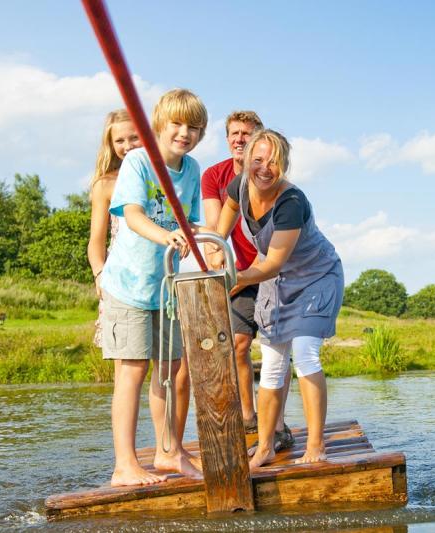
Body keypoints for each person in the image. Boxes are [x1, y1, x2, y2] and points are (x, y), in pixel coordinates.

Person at [209, 129, 343, 468]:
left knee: (304, 353)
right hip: (276, 281)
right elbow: (228, 207)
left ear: (283, 165)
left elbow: (272, 263)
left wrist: (233, 279)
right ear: (248, 160)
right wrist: (217, 246)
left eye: (274, 162)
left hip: (315, 278)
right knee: (270, 365)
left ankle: (316, 445)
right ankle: (266, 446)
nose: (265, 168)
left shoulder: (291, 202)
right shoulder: (240, 184)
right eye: (258, 160)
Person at [99, 88, 207, 486]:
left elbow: (190, 221)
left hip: (165, 287)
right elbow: (132, 214)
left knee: (171, 369)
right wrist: (166, 236)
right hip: (129, 284)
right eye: (178, 124)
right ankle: (124, 464)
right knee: (132, 370)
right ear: (160, 124)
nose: (185, 133)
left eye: (194, 127)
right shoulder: (139, 161)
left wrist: (190, 233)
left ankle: (169, 452)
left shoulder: (191, 169)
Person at [175, 111, 293, 451]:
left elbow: (272, 247)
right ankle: (247, 417)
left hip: (270, 268)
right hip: (236, 267)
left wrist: (239, 277)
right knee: (239, 343)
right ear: (227, 139)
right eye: (234, 134)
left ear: (260, 139)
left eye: (247, 133)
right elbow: (217, 228)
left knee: (276, 346)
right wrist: (219, 267)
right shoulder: (215, 175)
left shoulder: (271, 175)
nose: (239, 139)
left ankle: (279, 423)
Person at [88, 109, 142, 357]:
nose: (128, 145)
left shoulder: (161, 176)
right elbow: (96, 241)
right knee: (126, 361)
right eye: (119, 141)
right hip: (121, 279)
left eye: (134, 137)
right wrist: (100, 275)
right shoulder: (106, 184)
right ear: (111, 145)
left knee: (170, 362)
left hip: (158, 276)